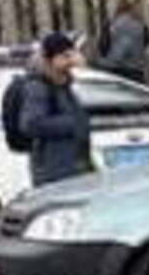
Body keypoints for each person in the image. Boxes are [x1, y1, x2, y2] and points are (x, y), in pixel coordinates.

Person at [17, 32, 93, 188]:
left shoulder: (62, 84)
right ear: (51, 59)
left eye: (71, 55)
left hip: (73, 167)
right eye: (65, 56)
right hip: (53, 172)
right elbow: (30, 124)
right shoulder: (39, 87)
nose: (71, 61)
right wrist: (71, 124)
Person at [96, 1, 149, 83]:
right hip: (135, 69)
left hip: (113, 69)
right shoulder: (142, 25)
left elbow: (103, 46)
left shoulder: (110, 24)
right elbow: (146, 42)